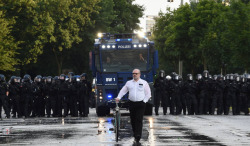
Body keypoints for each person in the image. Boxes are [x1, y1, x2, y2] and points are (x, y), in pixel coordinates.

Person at [115, 69, 151, 144]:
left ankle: (138, 135)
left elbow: (148, 94)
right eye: (133, 73)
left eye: (136, 73)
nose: (134, 75)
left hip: (141, 103)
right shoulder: (129, 83)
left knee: (139, 119)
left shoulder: (144, 83)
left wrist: (144, 101)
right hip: (132, 103)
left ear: (139, 74)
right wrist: (118, 97)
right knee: (133, 119)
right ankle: (135, 134)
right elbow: (123, 90)